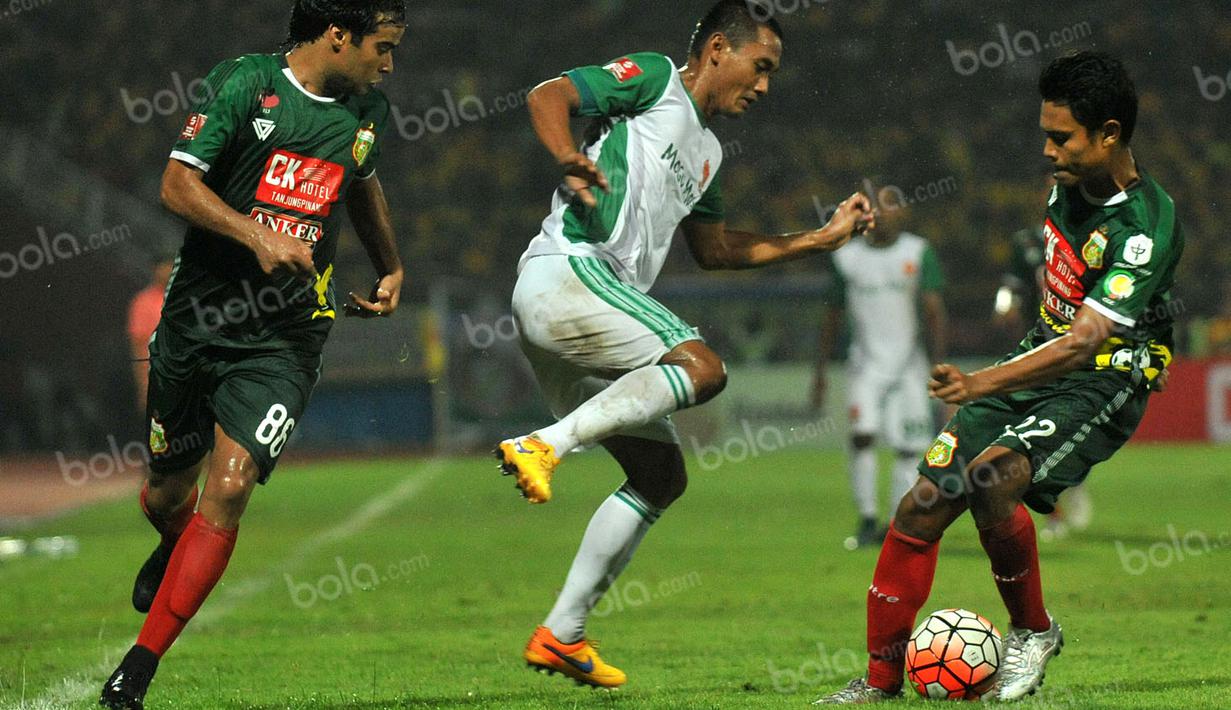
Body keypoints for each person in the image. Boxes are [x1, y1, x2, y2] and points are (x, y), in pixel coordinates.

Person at [494, 0, 874, 689]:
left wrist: (817, 240)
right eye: (760, 68)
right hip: (572, 270)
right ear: (717, 50)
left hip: (584, 312)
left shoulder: (708, 154)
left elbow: (717, 249)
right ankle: (546, 443)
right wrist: (566, 157)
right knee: (701, 367)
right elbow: (547, 93)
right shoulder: (650, 79)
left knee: (660, 477)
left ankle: (562, 633)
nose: (764, 87)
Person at [817, 51, 1181, 704]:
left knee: (992, 480)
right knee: (922, 503)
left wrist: (982, 383)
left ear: (1109, 135)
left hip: (1104, 377)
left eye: (1060, 137)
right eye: (1044, 133)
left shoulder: (1144, 227)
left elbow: (1083, 344)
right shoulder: (1066, 186)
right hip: (1035, 359)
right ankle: (877, 683)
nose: (1046, 150)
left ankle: (1032, 632)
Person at [100, 2, 406, 707]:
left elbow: (361, 183)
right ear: (338, 35)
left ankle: (136, 671)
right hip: (197, 322)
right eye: (381, 47)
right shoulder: (245, 83)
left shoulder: (368, 113)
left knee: (230, 487)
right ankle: (169, 539)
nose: (388, 65)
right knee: (168, 491)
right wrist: (256, 235)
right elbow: (176, 184)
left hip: (287, 335)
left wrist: (390, 263)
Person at [811, 191, 947, 549]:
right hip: (864, 365)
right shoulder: (847, 258)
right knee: (863, 436)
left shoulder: (918, 252)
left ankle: (895, 522)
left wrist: (939, 366)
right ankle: (868, 517)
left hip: (909, 367)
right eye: (879, 205)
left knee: (909, 447)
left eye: (893, 204)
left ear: (904, 212)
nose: (886, 212)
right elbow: (831, 316)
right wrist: (820, 370)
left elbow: (933, 311)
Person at [128, 258, 175, 414]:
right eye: (165, 266)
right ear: (155, 269)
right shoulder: (143, 302)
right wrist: (143, 384)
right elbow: (139, 345)